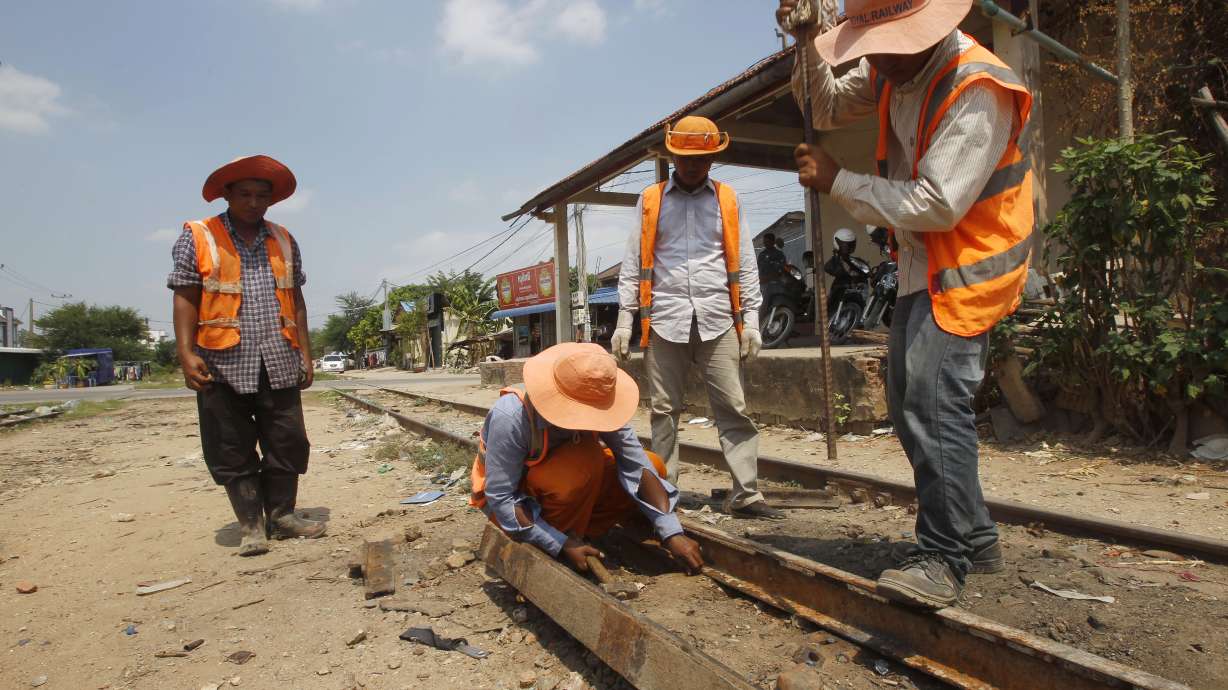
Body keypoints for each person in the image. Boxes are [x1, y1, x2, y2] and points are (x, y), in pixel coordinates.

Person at [780, 0, 1034, 607]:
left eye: (885, 44)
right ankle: (975, 537)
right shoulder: (896, 68)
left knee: (931, 403)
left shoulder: (977, 86)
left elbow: (937, 203)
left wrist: (837, 181)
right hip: (926, 263)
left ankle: (943, 557)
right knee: (906, 398)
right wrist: (810, 38)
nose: (875, 60)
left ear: (928, 30)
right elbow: (825, 105)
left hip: (969, 266)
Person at [612, 116, 784, 520]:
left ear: (712, 158)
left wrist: (752, 320)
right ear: (672, 155)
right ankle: (664, 491)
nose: (692, 166)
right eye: (686, 158)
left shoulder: (727, 199)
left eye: (702, 158)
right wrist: (625, 318)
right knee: (664, 410)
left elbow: (744, 259)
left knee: (733, 407)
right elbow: (634, 260)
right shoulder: (652, 199)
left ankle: (746, 492)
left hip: (719, 317)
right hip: (665, 318)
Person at [168, 155, 324, 558]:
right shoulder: (199, 236)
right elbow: (186, 295)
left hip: (279, 357)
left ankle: (282, 516)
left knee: (287, 441)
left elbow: (298, 299)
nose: (254, 203)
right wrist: (185, 352)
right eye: (245, 195)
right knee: (230, 445)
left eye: (262, 196)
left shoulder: (285, 239)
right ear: (227, 195)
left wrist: (306, 354)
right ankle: (251, 525)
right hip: (220, 361)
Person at [470, 343, 704, 574]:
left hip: (565, 493)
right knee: (584, 460)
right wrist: (560, 544)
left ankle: (583, 532)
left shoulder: (598, 399)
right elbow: (501, 497)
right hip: (513, 507)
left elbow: (637, 462)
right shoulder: (511, 415)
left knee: (653, 463)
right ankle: (559, 538)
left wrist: (672, 532)